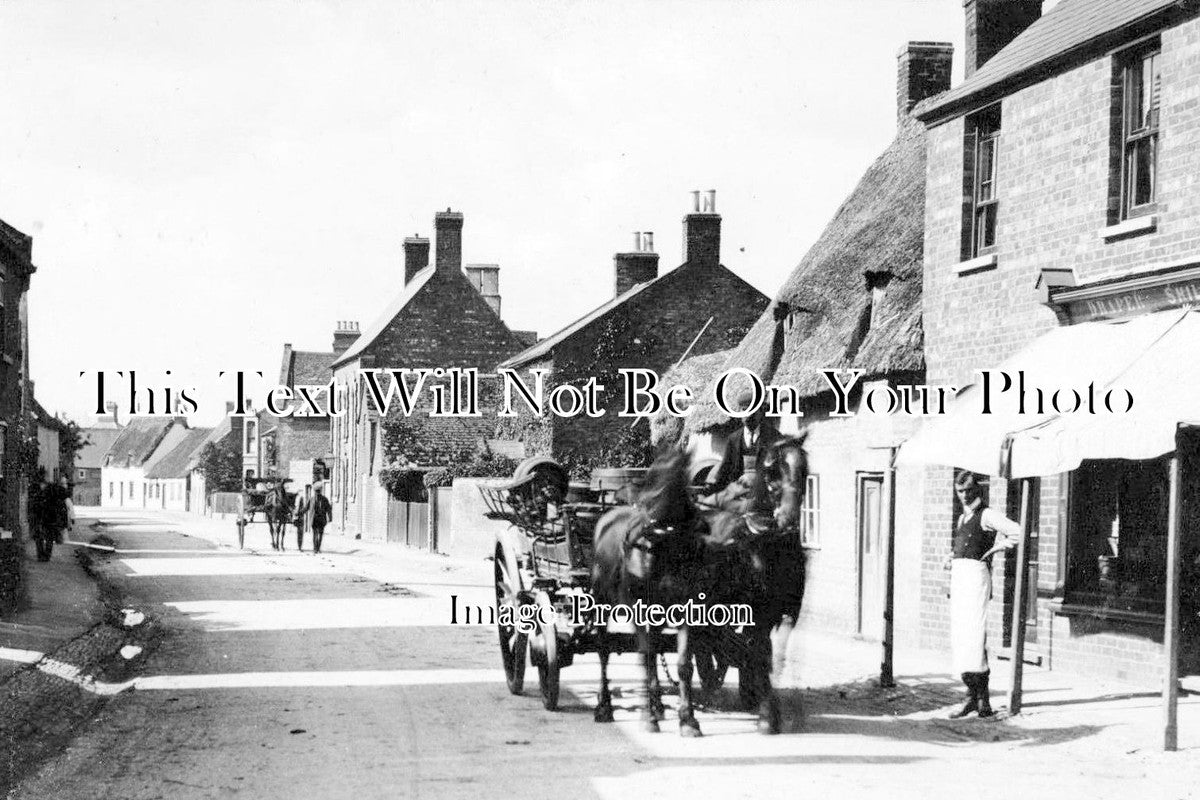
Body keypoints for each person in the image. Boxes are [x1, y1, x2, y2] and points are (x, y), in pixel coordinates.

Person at [945, 472, 1021, 719]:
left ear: (977, 489)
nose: (964, 495)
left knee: (975, 635)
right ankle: (971, 696)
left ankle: (983, 700)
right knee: (962, 636)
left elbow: (1016, 532)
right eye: (960, 491)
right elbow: (966, 545)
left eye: (968, 490)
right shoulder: (961, 518)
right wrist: (951, 557)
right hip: (960, 578)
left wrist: (995, 549)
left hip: (977, 578)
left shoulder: (987, 515)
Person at [309, 482, 332, 555]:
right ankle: (315, 549)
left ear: (320, 491)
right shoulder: (311, 499)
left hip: (321, 519)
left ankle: (318, 547)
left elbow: (328, 509)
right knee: (315, 534)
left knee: (320, 534)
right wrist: (299, 512)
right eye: (316, 491)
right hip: (314, 519)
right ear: (314, 491)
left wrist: (330, 517)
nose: (317, 493)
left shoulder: (325, 499)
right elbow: (306, 508)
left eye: (318, 491)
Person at [293, 484, 311, 551]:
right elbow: (297, 508)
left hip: (299, 516)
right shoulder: (300, 498)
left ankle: (299, 546)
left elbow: (296, 508)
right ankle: (299, 547)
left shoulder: (298, 498)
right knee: (300, 532)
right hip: (300, 517)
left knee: (299, 532)